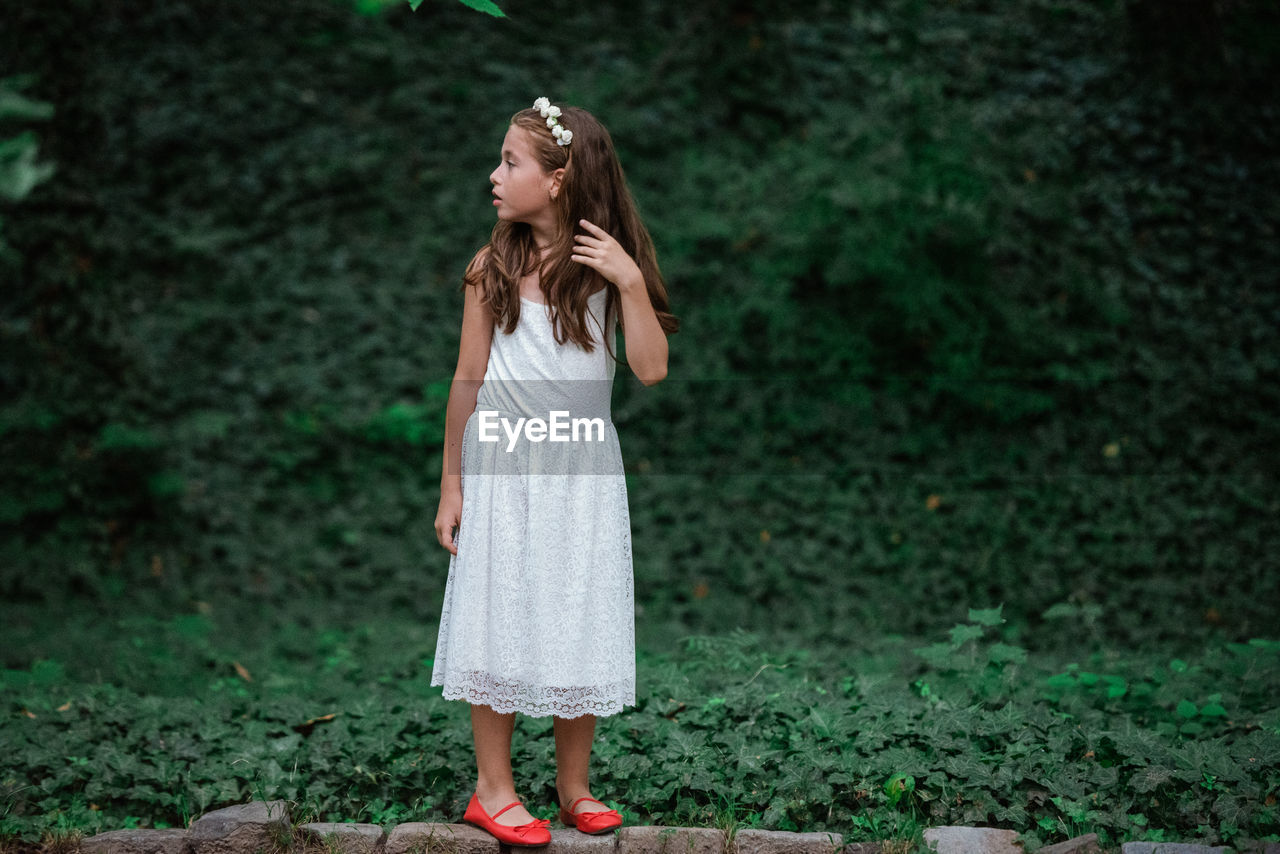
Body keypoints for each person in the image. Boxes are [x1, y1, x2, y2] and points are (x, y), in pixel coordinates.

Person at [430, 97, 679, 847]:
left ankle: (574, 788)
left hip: (582, 472)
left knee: (578, 612)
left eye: (511, 162)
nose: (495, 175)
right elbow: (467, 380)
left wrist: (631, 283)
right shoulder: (491, 267)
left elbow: (651, 370)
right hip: (503, 467)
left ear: (561, 179)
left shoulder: (606, 272)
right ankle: (493, 788)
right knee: (497, 613)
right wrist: (451, 482)